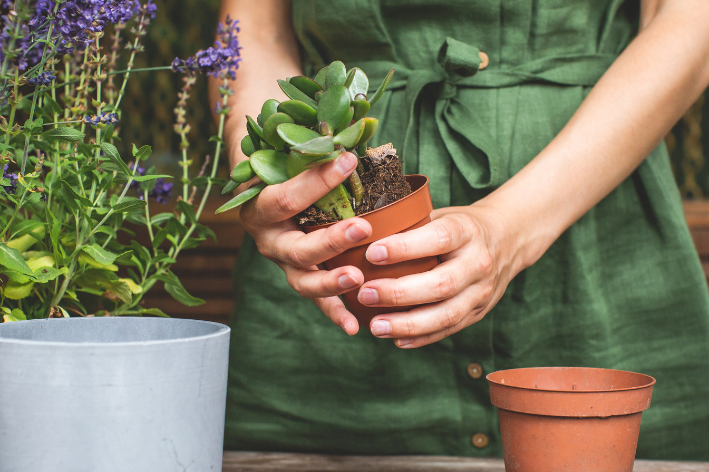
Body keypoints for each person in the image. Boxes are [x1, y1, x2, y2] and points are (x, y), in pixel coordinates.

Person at [211, 0, 709, 460]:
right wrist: (269, 180)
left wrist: (513, 226)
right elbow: (250, 34)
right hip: (321, 330)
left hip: (599, 267)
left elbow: (688, 19)